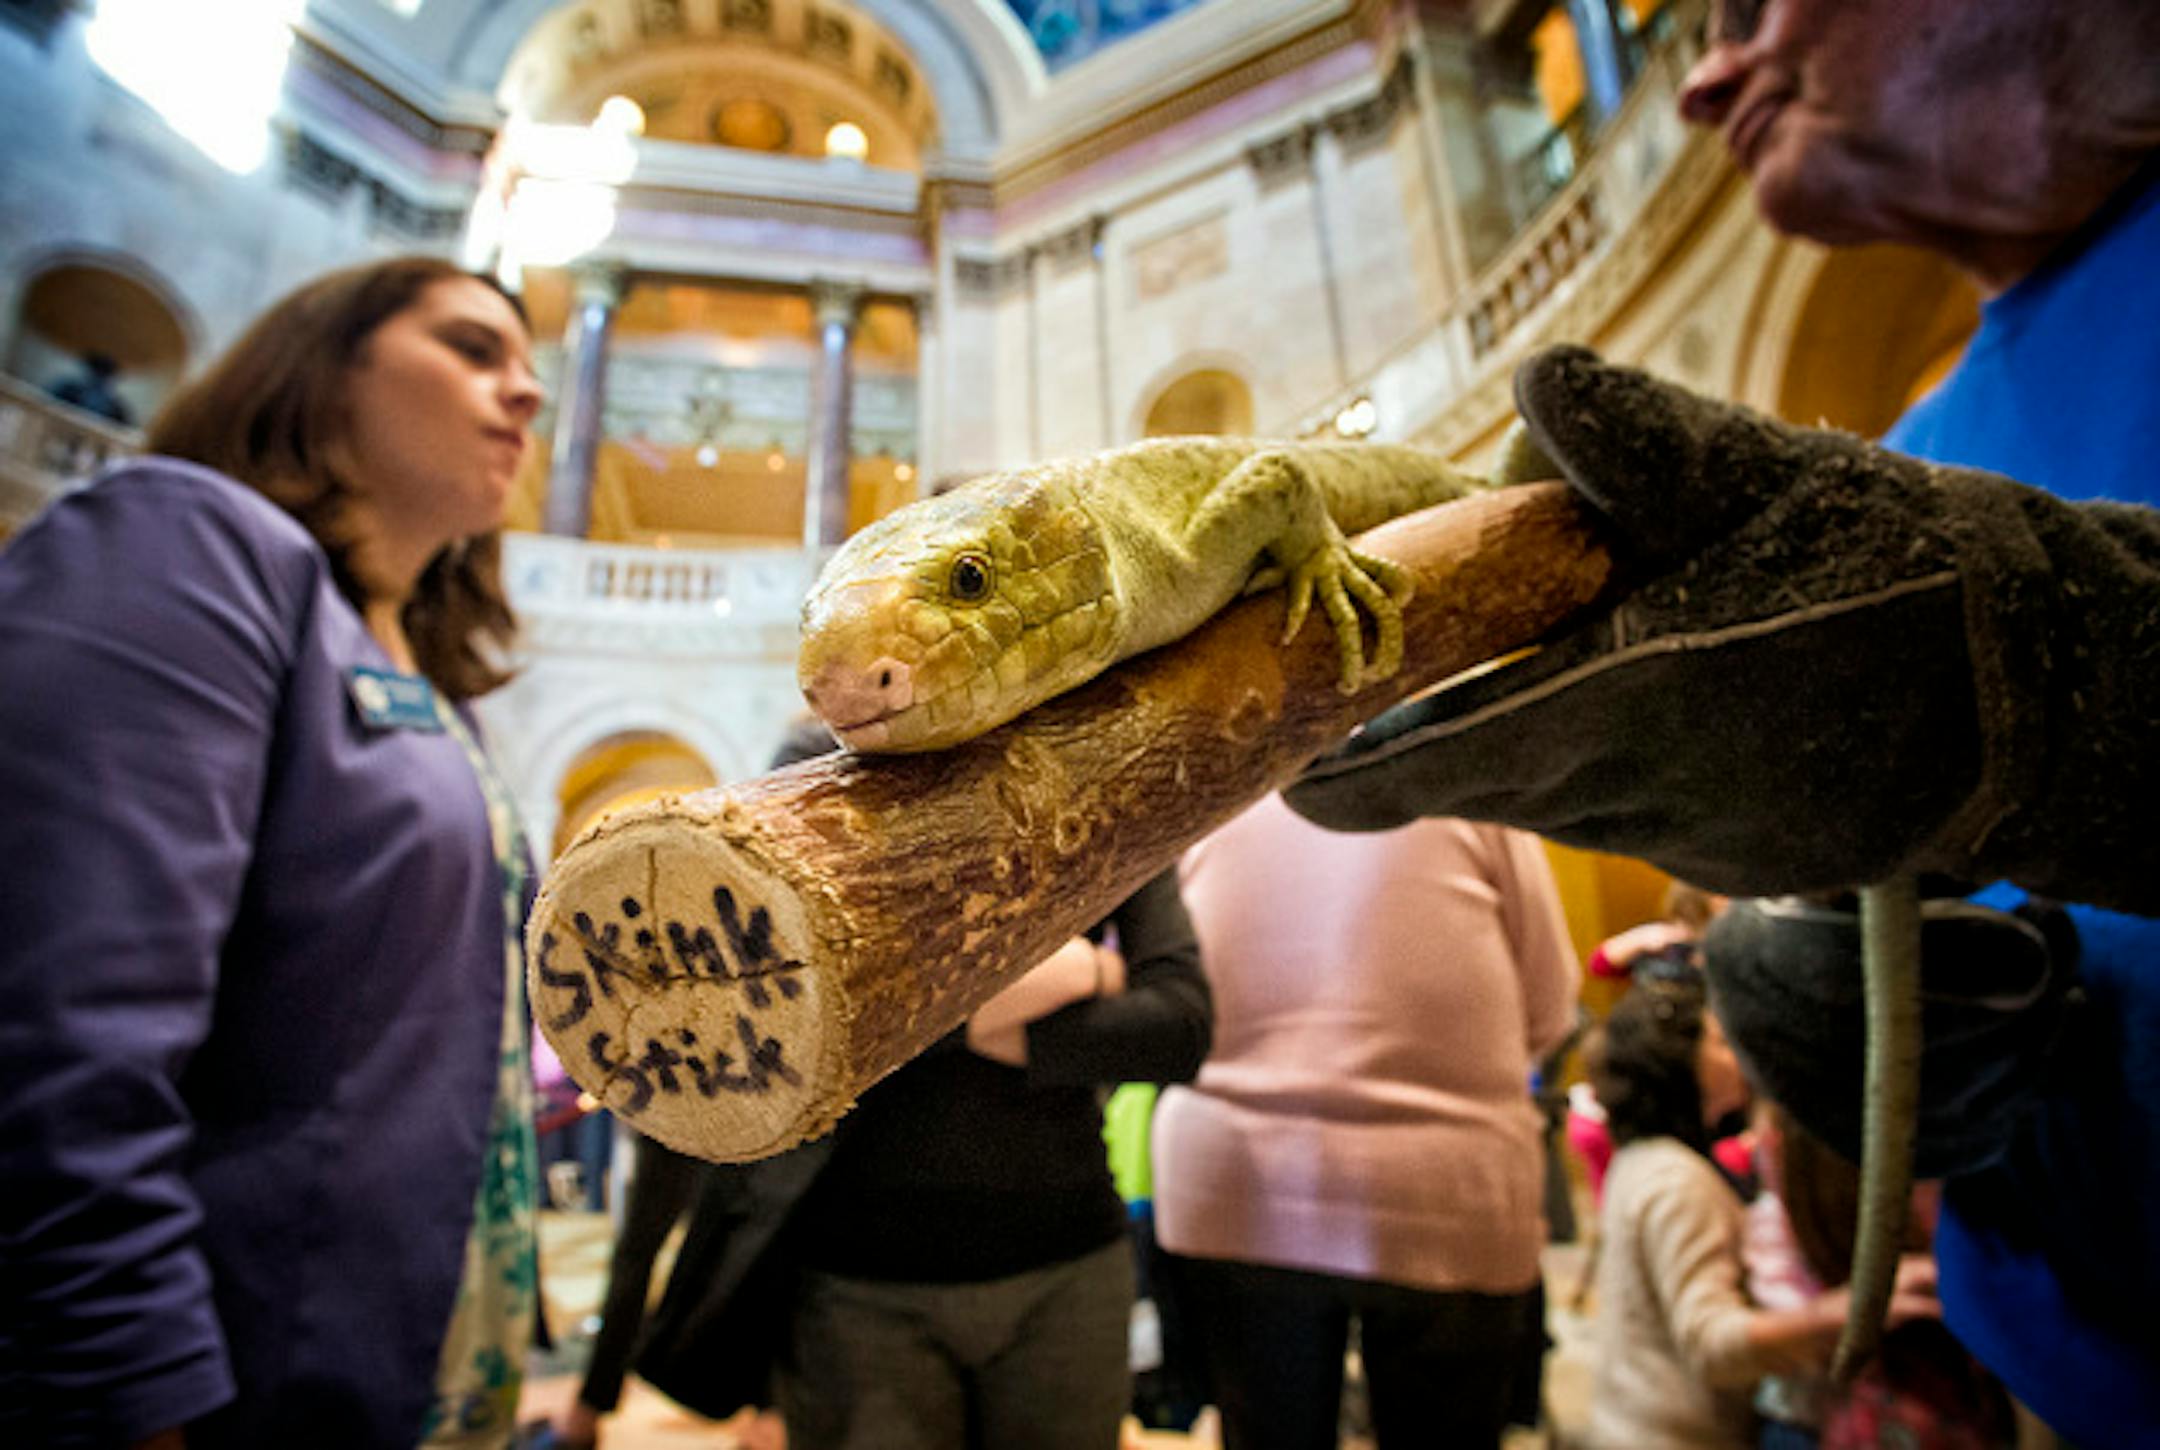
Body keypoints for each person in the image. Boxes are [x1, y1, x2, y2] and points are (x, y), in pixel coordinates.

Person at [1283, 0, 2160, 1436]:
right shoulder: (1925, 440)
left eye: (1754, 7)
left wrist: (2071, 679)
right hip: (2052, 1363)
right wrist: (1840, 995)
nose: (1701, 80)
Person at [0, 256, 545, 1447]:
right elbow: (59, 1025)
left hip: (419, 1376)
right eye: (471, 348)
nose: (526, 391)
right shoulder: (183, 539)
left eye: (526, 362)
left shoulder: (428, 680)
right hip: (225, 1386)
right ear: (326, 367)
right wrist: (132, 1386)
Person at [1151, 794, 1580, 1448]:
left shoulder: (1204, 795)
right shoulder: (1463, 781)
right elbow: (1550, 1012)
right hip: (1450, 1186)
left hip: (1238, 1184)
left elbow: (1160, 1015)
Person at [775, 868, 1212, 1450]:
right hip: (862, 1288)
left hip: (1065, 1269)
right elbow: (806, 1019)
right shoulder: (822, 783)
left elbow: (1179, 1026)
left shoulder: (1106, 802)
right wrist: (1091, 971)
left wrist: (952, 1016)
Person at [1583, 983, 1937, 1449]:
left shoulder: (1642, 1158)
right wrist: (1844, 1312)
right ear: (1677, 1061)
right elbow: (1711, 1341)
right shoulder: (1678, 1180)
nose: (1737, 1055)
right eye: (1719, 1042)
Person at [47, 349, 134, 426]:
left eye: (106, 372)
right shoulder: (67, 389)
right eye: (97, 368)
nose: (100, 377)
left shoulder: (117, 410)